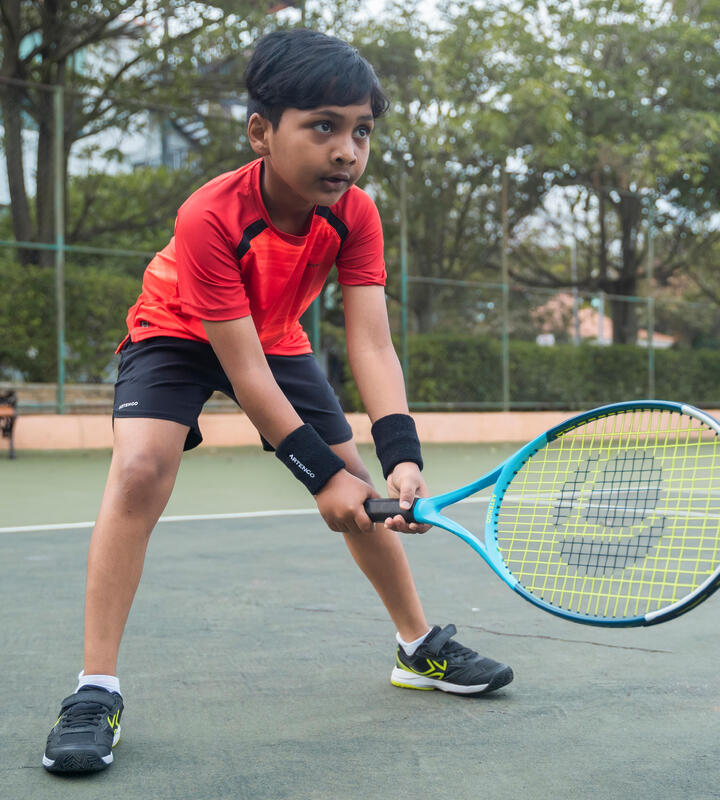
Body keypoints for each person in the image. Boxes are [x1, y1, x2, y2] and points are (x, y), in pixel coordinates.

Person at [42, 29, 513, 775]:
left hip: (275, 337)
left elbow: (372, 344)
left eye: (360, 131)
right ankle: (94, 689)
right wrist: (318, 476)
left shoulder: (355, 214)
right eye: (323, 126)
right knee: (139, 471)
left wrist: (401, 455)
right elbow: (243, 372)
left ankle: (417, 646)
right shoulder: (209, 215)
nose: (347, 150)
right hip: (177, 331)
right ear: (262, 132)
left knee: (359, 480)